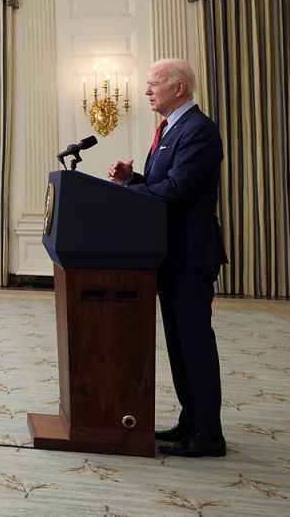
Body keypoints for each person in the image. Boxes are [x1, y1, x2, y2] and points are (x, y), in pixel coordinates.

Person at [107, 58, 227, 458]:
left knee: (194, 344)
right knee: (178, 343)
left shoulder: (199, 131)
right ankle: (190, 421)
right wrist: (133, 181)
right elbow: (161, 186)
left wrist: (120, 196)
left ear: (179, 88)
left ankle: (209, 434)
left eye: (153, 83)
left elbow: (176, 190)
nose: (146, 91)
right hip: (169, 253)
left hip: (191, 256)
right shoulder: (170, 129)